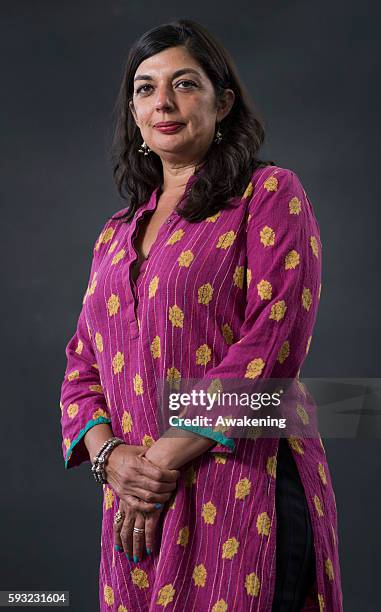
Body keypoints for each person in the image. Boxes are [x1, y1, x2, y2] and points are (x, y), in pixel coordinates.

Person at [59, 18, 343, 611]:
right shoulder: (115, 236)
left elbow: (275, 344)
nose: (162, 101)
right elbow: (81, 367)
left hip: (243, 485)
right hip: (139, 507)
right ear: (134, 114)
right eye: (145, 87)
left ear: (224, 102)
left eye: (184, 84)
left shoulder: (268, 195)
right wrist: (113, 461)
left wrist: (161, 457)